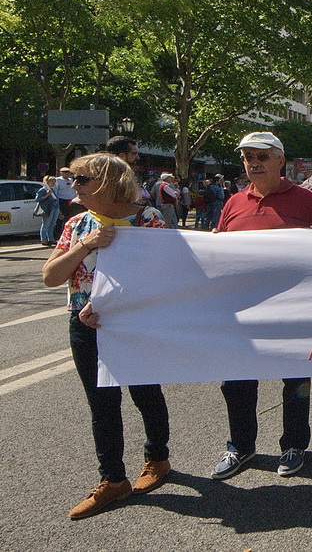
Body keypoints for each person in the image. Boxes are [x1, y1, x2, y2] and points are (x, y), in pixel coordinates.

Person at [42, 153, 171, 519]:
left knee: (146, 394)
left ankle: (157, 459)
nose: (74, 185)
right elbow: (51, 277)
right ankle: (113, 480)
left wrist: (108, 305)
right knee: (102, 405)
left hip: (135, 326)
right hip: (85, 328)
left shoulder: (148, 220)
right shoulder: (78, 223)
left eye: (82, 179)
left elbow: (163, 280)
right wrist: (86, 244)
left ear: (108, 183)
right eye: (73, 178)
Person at [211, 132, 312, 480]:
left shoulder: (306, 200)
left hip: (292, 309)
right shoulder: (234, 202)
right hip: (243, 311)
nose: (254, 163)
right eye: (248, 157)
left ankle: (294, 445)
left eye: (261, 156)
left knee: (296, 381)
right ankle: (240, 447)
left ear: (280, 161)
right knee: (237, 383)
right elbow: (220, 252)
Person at [35, 174, 59, 246]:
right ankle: (43, 239)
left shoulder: (53, 190)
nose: (54, 183)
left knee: (52, 224)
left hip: (55, 207)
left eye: (54, 182)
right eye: (52, 182)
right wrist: (46, 195)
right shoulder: (43, 190)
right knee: (46, 224)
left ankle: (51, 238)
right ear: (48, 182)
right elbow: (37, 199)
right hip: (48, 209)